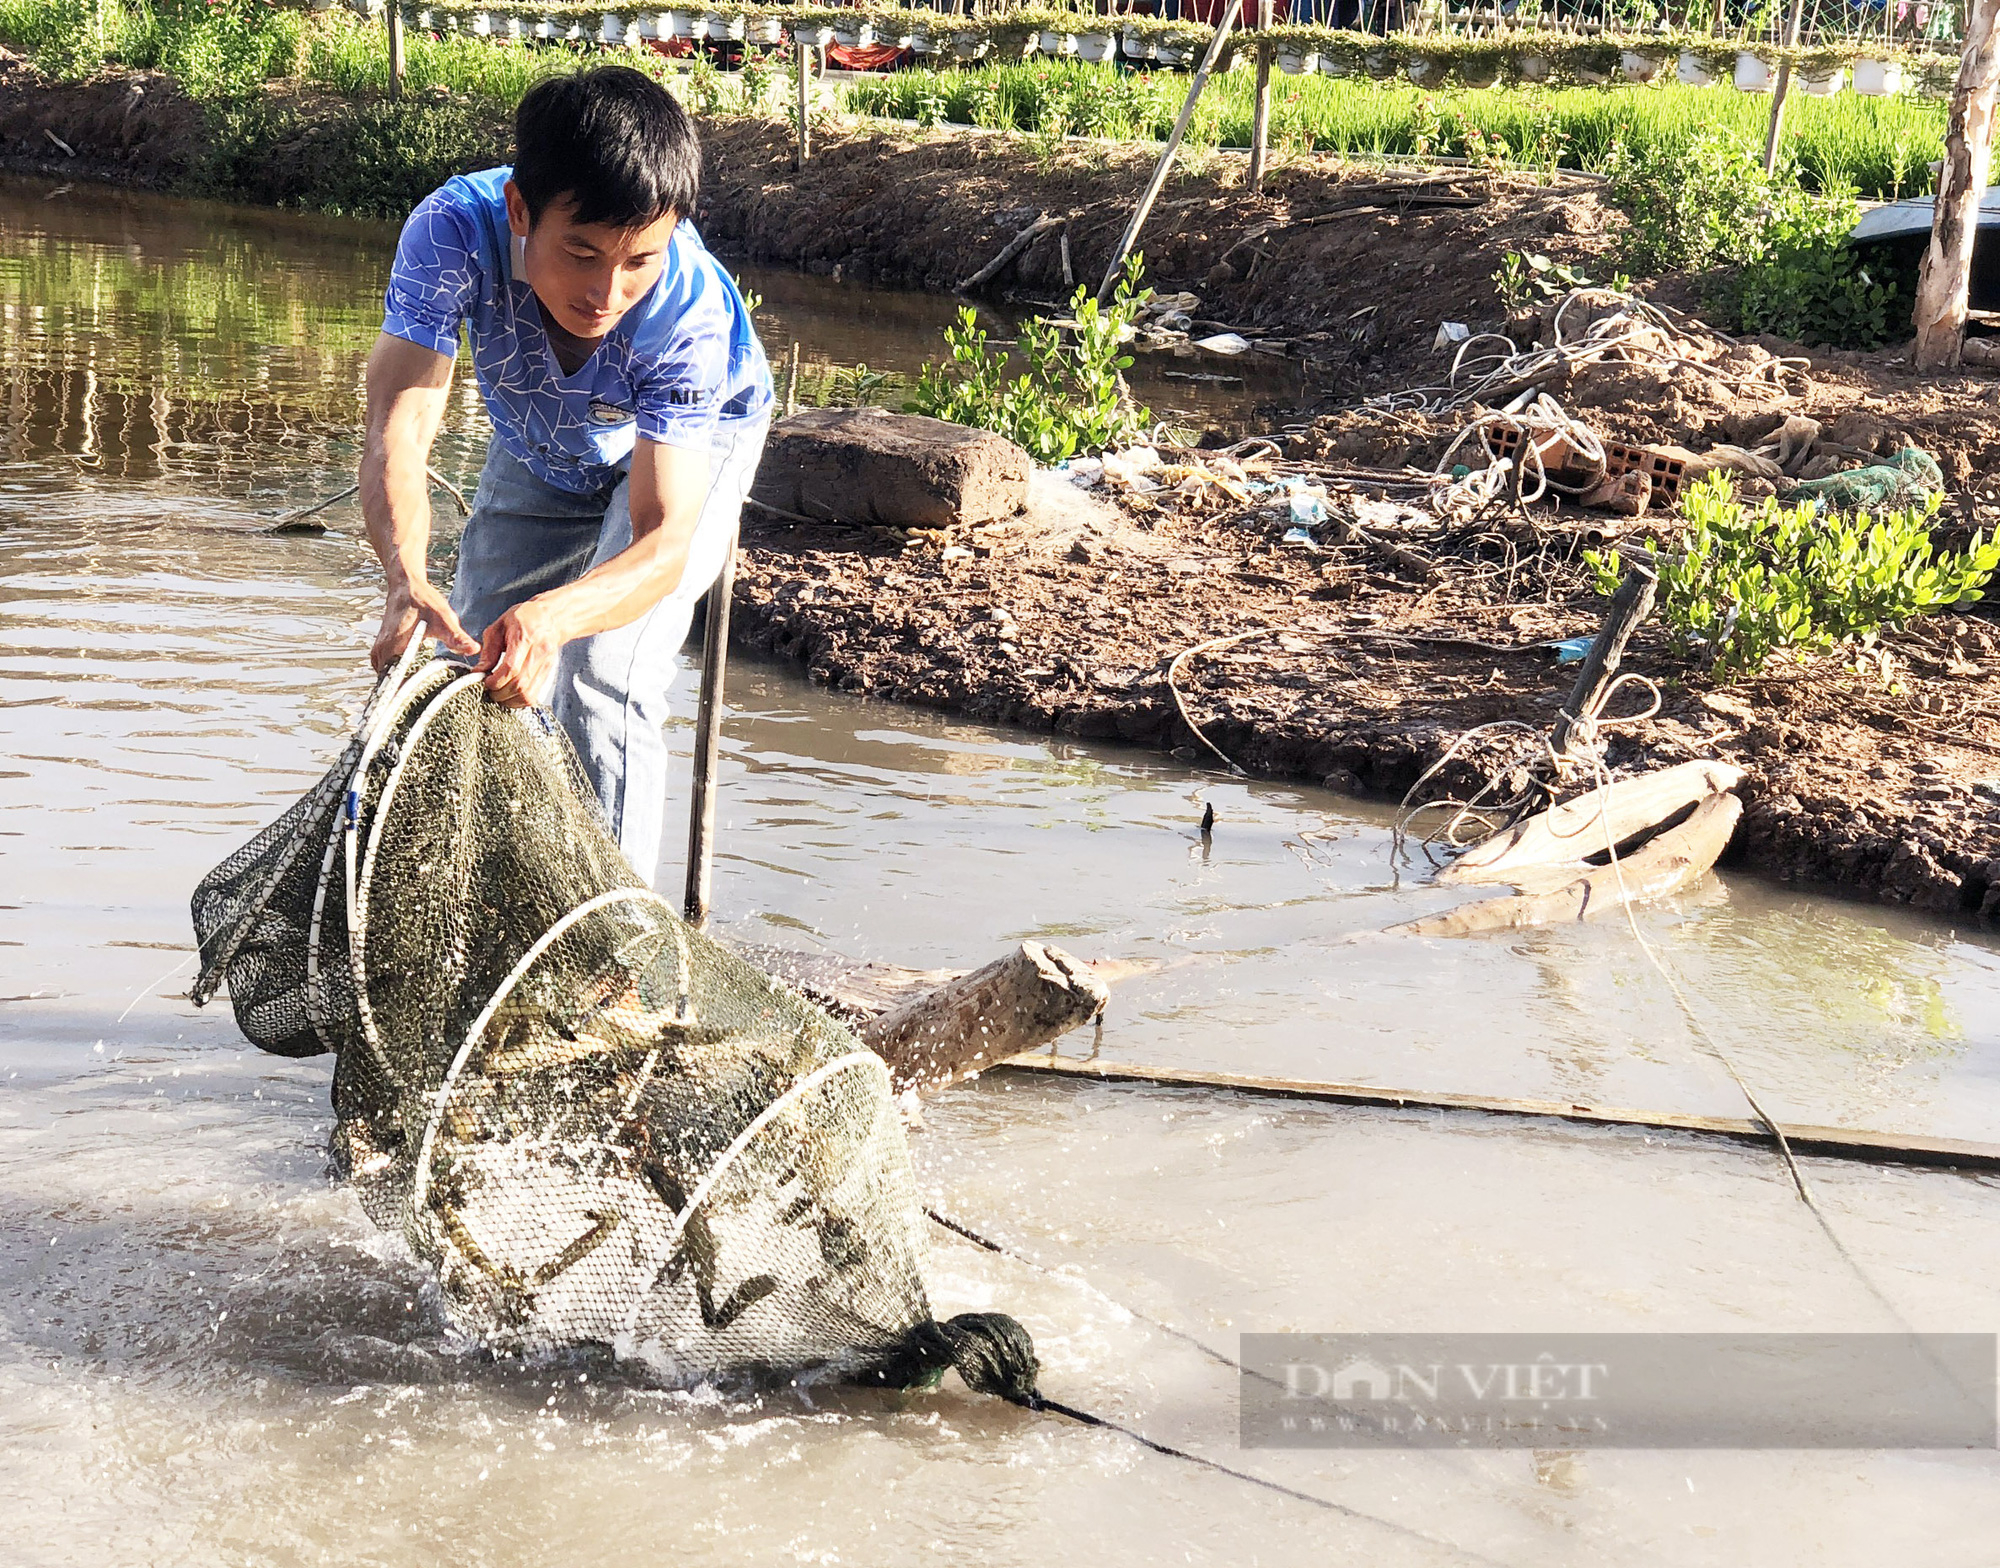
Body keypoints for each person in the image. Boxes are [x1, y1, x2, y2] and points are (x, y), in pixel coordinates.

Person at [358, 65, 773, 886]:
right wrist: (404, 575)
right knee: (471, 660)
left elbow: (661, 542)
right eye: (580, 251)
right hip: (540, 431)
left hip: (689, 447)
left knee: (601, 675)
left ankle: (613, 953)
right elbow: (398, 429)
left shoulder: (686, 308)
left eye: (637, 262)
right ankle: (485, 908)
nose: (604, 291)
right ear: (520, 210)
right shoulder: (451, 232)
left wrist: (557, 617)